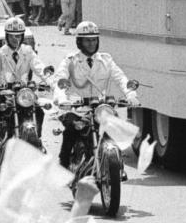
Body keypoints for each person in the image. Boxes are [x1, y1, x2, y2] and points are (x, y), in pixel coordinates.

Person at [51, 21, 138, 168]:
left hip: (99, 108)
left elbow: (121, 78)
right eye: (87, 40)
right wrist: (62, 98)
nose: (91, 44)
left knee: (113, 130)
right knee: (71, 131)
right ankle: (64, 166)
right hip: (75, 108)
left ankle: (117, 166)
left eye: (94, 40)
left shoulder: (106, 60)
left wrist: (131, 95)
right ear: (79, 41)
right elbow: (59, 80)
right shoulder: (71, 60)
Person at [0, 18, 51, 154]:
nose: (15, 38)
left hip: (23, 92)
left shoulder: (28, 51)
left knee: (39, 111)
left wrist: (49, 80)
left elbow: (39, 66)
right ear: (6, 36)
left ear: (22, 36)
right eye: (12, 35)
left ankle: (37, 140)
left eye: (18, 35)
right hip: (3, 91)